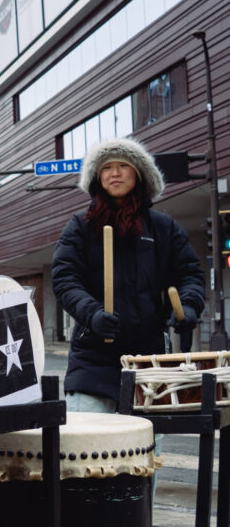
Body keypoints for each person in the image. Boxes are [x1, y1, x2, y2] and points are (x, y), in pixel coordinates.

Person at [52, 137, 205, 413]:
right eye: (107, 167)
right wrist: (92, 314)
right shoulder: (80, 226)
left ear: (139, 173)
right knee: (88, 450)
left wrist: (188, 306)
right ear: (98, 177)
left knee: (141, 453)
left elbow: (190, 275)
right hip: (92, 362)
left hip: (147, 363)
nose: (115, 172)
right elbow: (65, 280)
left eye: (123, 165)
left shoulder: (163, 228)